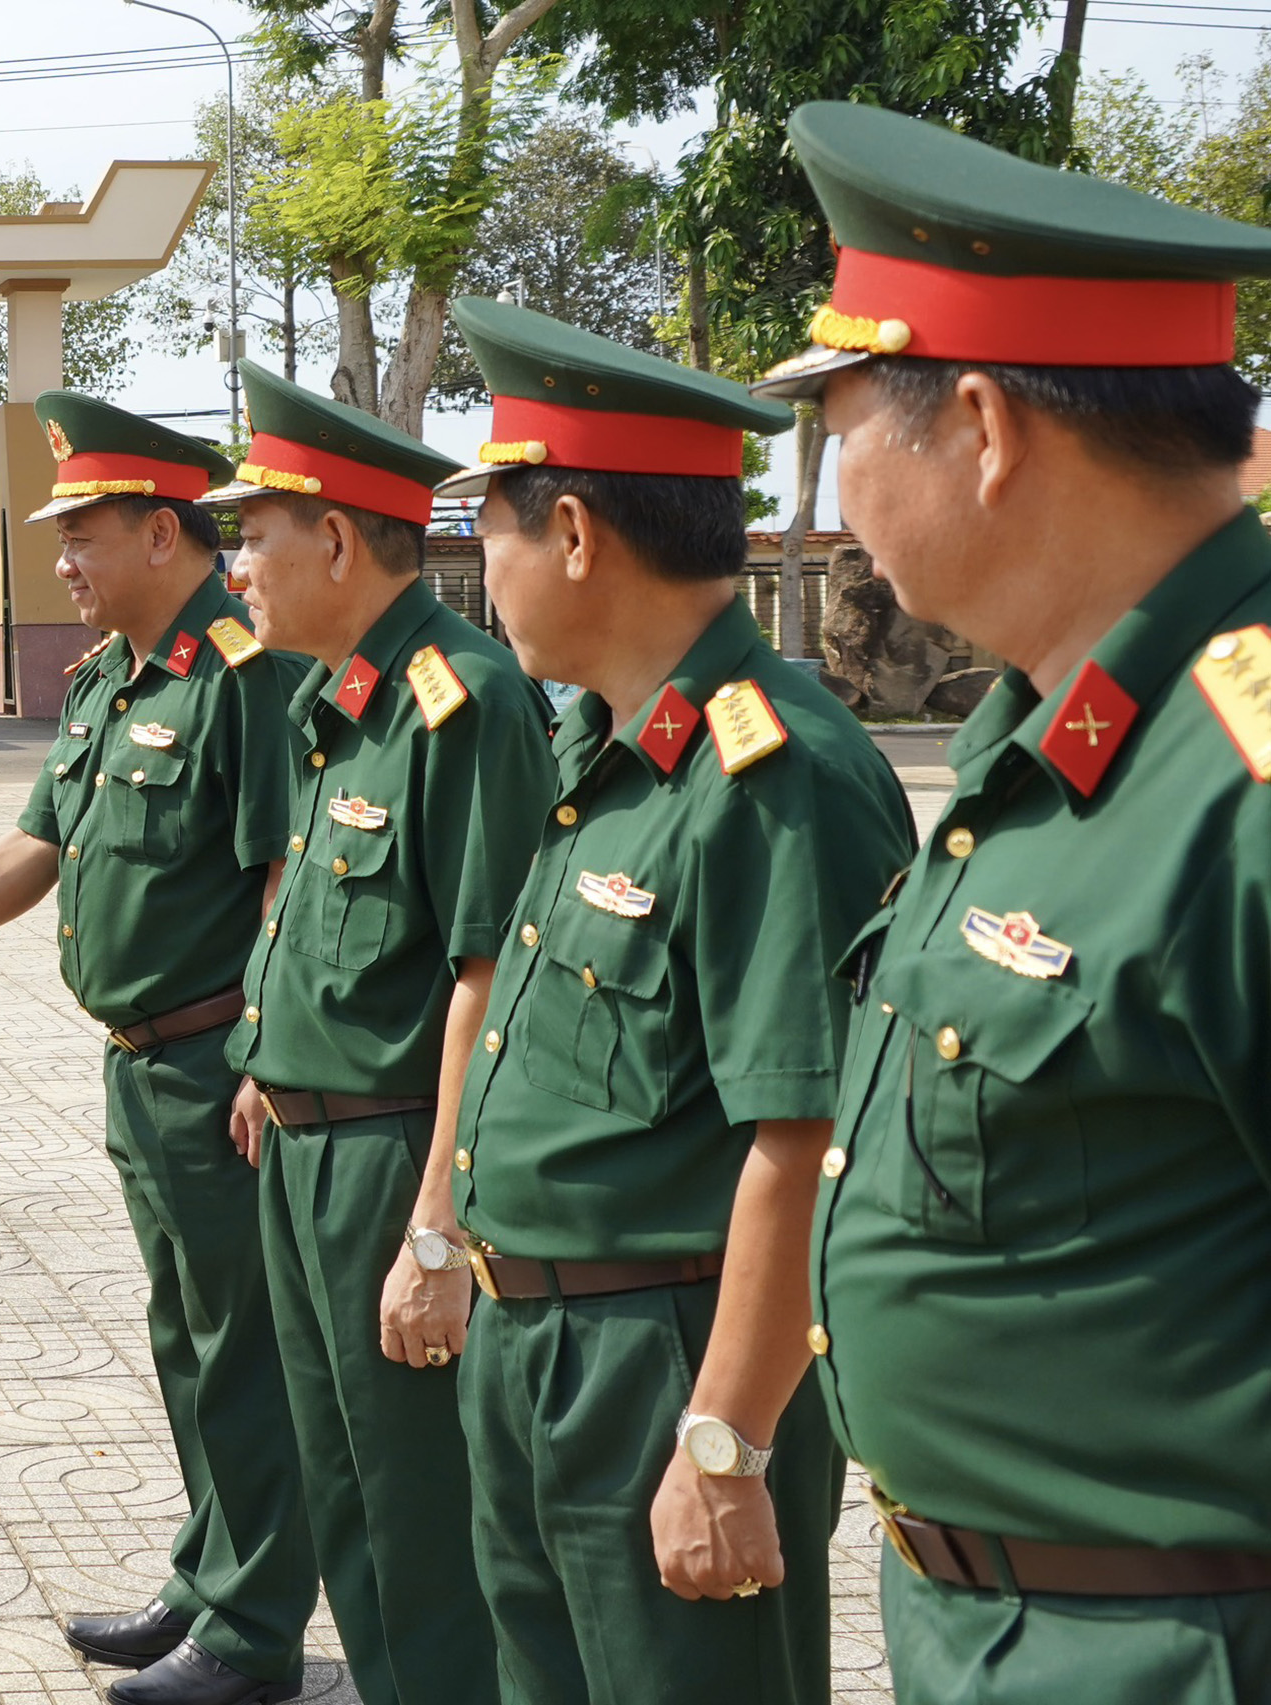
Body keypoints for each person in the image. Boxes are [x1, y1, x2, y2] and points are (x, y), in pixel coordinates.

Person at [752, 101, 1271, 1703]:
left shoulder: (1239, 780)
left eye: (840, 424)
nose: (830, 496)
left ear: (977, 424)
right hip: (990, 1622)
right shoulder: (1041, 735)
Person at [419, 296, 913, 1705]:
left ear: (572, 533)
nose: (482, 573)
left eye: (489, 535)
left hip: (665, 1360)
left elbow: (803, 1137)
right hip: (538, 1347)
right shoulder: (610, 749)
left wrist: (726, 1440)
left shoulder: (773, 777)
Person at [0, 391, 320, 1705]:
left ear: (166, 534)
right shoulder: (114, 678)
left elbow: (288, 872)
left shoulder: (244, 675)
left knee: (243, 1348)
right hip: (136, 1065)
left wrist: (265, 1052)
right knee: (186, 1335)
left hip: (214, 1069)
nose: (60, 561)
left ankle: (253, 1628)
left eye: (84, 535)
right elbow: (39, 842)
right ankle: (207, 1569)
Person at [210, 359, 558, 1705]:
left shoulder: (456, 702)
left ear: (338, 540)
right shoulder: (331, 697)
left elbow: (484, 972)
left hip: (392, 1156)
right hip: (302, 1141)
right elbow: (305, 910)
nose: (235, 563)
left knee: (418, 1512)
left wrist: (436, 1226)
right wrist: (261, 1059)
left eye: (252, 533)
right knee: (342, 1490)